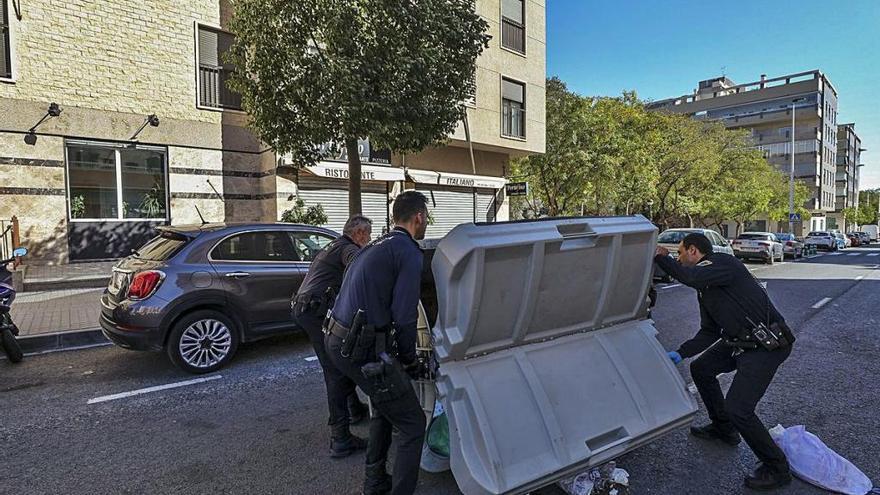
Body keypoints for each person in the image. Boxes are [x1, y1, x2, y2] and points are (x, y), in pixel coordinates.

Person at [655, 232, 795, 491]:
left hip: (767, 346)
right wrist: (681, 352)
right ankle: (724, 429)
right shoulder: (706, 289)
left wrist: (662, 258)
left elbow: (689, 276)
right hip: (741, 342)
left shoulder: (722, 263)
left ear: (694, 251)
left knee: (739, 408)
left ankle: (777, 468)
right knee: (701, 368)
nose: (678, 257)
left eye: (681, 252)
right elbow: (709, 331)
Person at [324, 190, 429, 495]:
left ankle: (374, 482)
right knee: (412, 424)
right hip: (359, 347)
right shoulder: (408, 251)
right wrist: (410, 360)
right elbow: (405, 316)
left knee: (385, 404)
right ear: (418, 217)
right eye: (426, 218)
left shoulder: (377, 244)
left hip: (338, 338)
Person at [292, 215, 372, 458]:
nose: (368, 240)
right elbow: (359, 270)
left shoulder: (333, 245)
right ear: (359, 233)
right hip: (315, 311)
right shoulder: (348, 249)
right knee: (335, 370)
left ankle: (354, 409)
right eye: (368, 235)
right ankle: (340, 438)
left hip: (306, 308)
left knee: (340, 361)